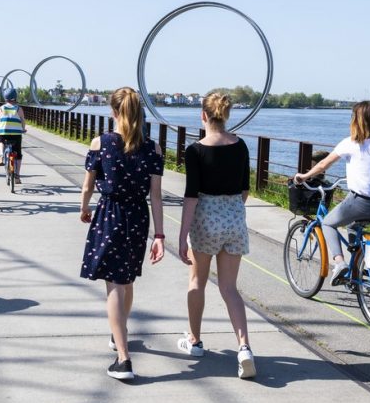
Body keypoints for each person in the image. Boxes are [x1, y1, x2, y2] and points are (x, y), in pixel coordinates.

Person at [79, 87, 165, 381]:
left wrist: (84, 208)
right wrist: (160, 235)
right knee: (126, 280)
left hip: (110, 213)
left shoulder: (100, 143)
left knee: (114, 284)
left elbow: (88, 185)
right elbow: (156, 196)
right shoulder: (152, 149)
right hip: (138, 217)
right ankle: (119, 334)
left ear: (113, 112)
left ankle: (123, 358)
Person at [177, 92, 256, 379]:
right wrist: (231, 210)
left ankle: (194, 341)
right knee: (229, 288)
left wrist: (182, 233)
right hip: (234, 216)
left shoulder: (195, 150)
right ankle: (244, 347)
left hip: (205, 219)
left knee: (197, 281)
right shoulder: (241, 145)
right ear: (226, 116)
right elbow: (246, 188)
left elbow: (191, 196)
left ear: (203, 116)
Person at [293, 100, 370, 286]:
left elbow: (323, 164)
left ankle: (340, 264)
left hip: (361, 203)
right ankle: (357, 265)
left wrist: (304, 176)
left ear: (356, 120)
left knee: (328, 223)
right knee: (352, 226)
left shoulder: (351, 143)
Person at [0, 87, 26, 182]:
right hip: (16, 134)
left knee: (1, 141)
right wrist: (23, 129)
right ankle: (17, 175)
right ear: (15, 97)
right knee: (18, 154)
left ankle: (1, 155)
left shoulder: (1, 108)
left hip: (3, 132)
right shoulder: (18, 109)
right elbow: (22, 121)